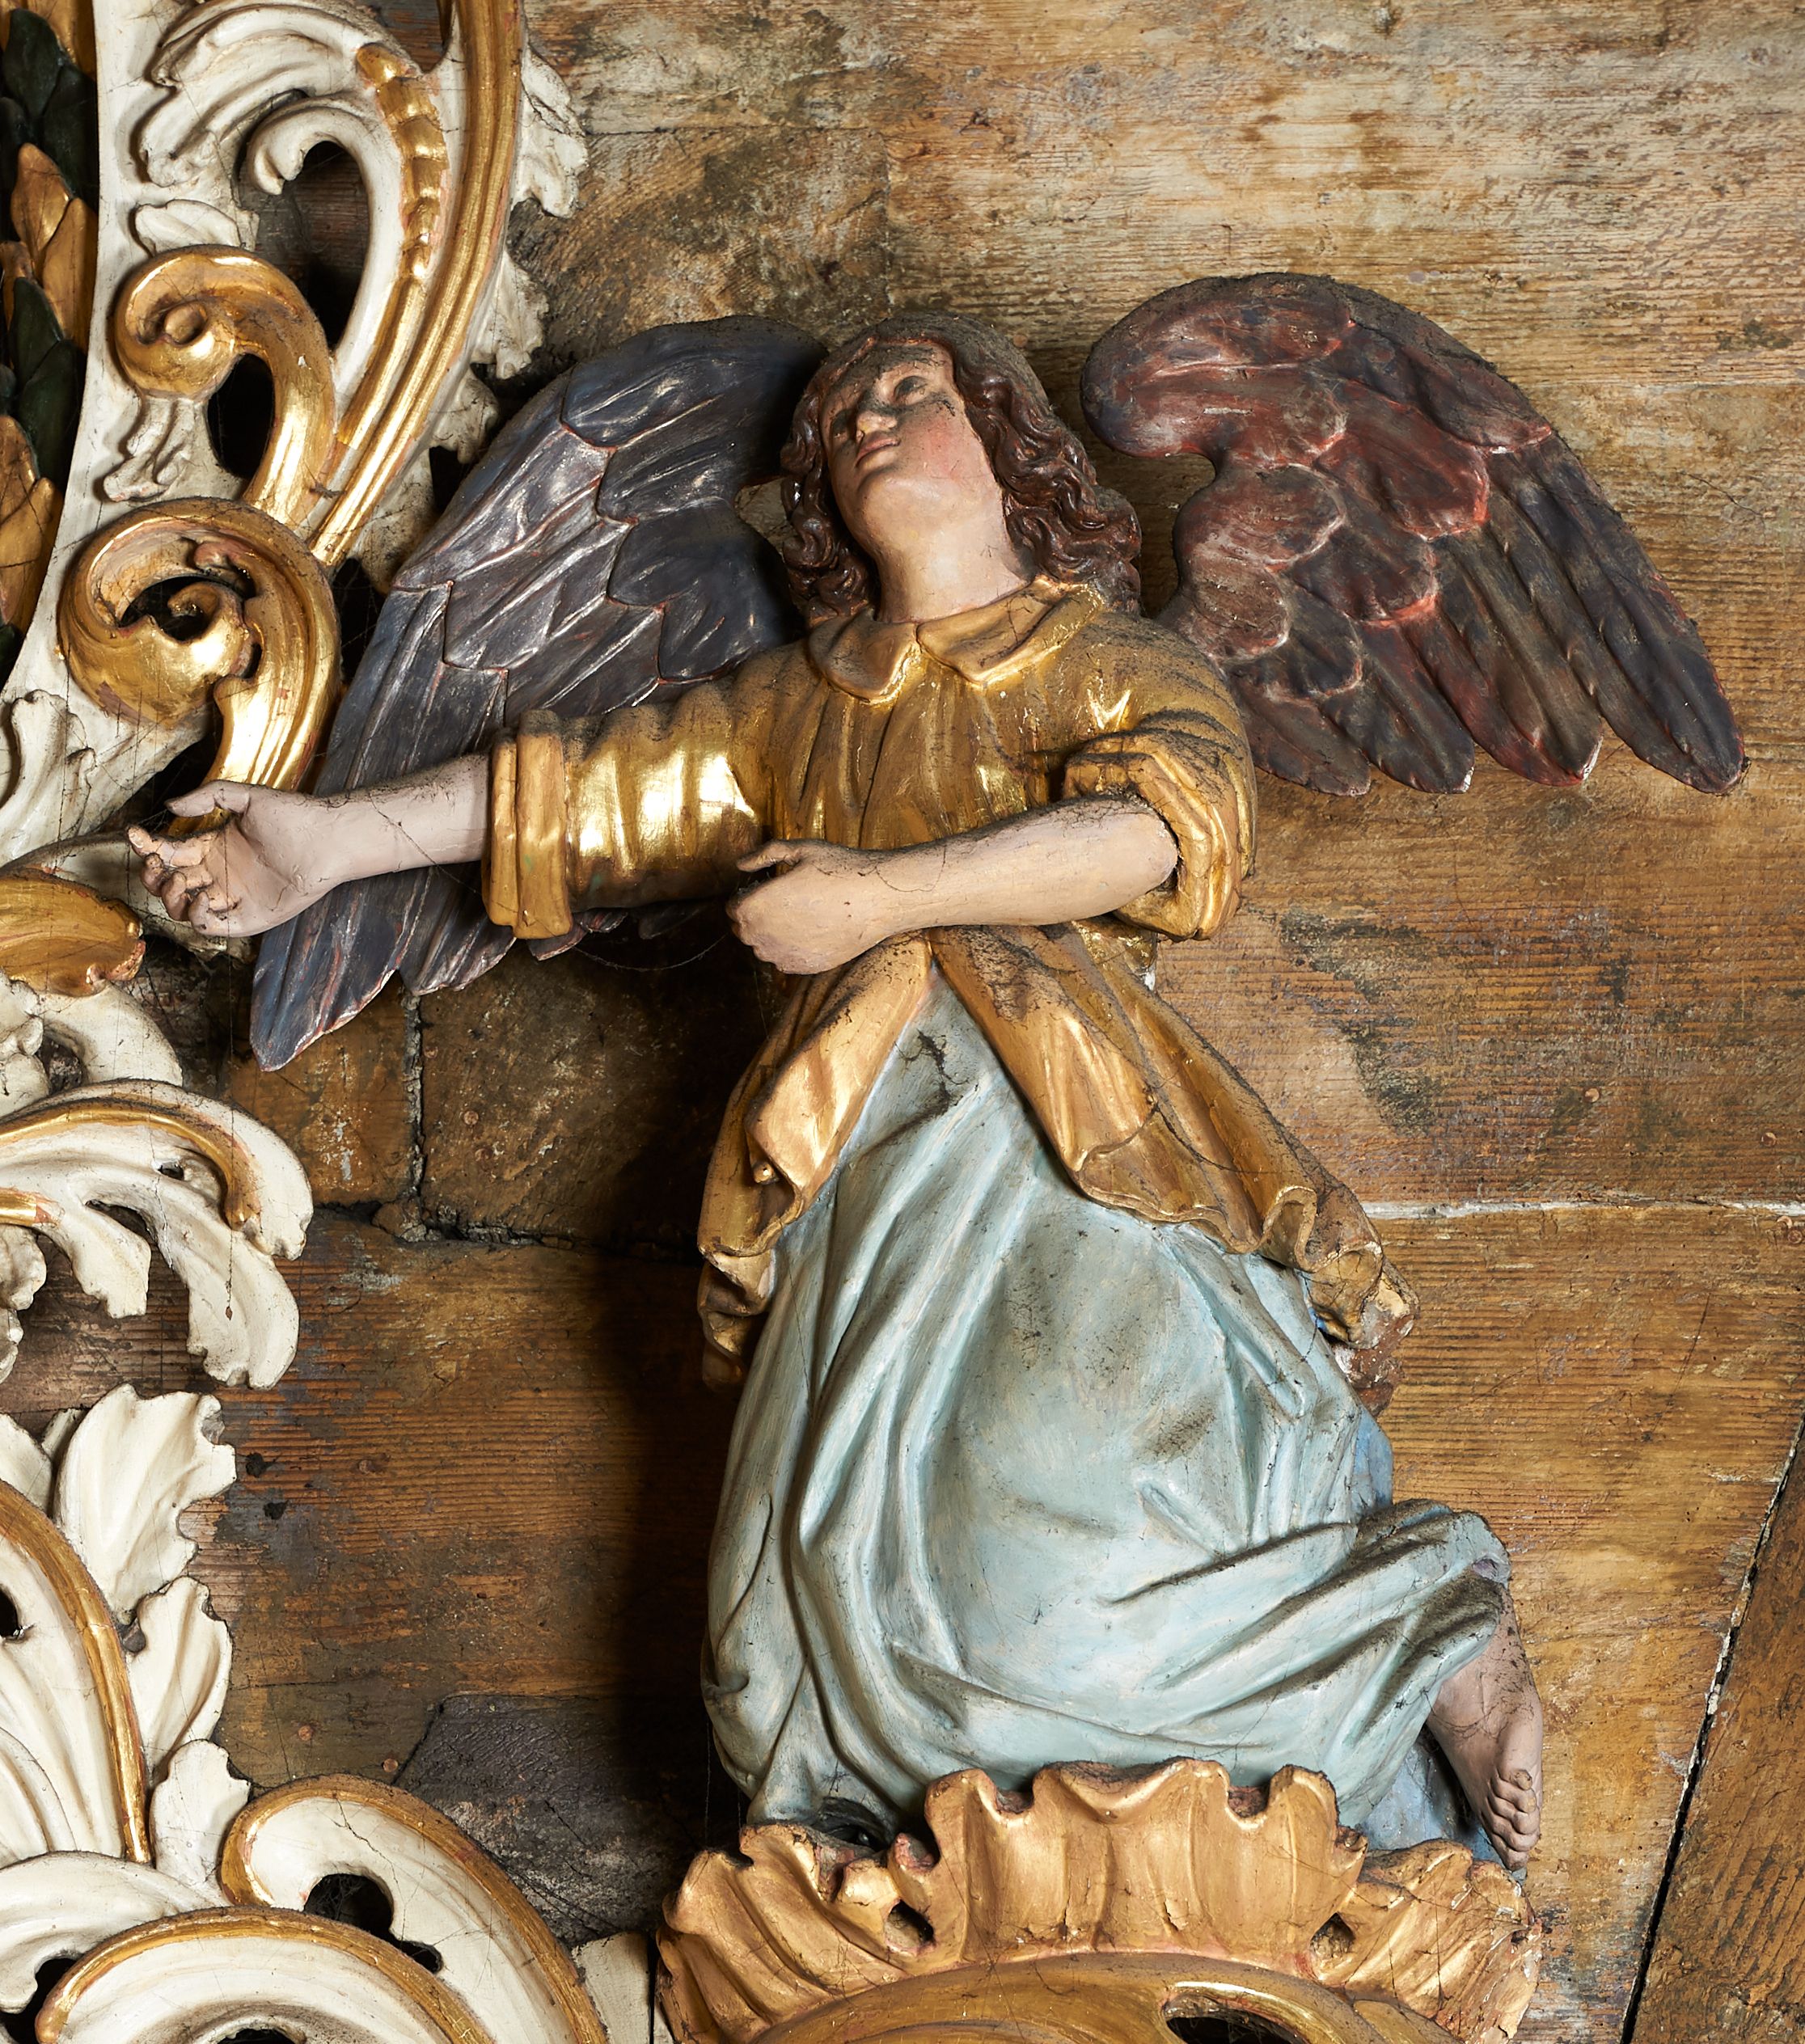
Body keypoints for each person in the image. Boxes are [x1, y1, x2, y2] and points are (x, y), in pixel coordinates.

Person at [133, 312, 1543, 1868]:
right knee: (791, 1638)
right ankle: (934, 1864)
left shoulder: (1104, 660)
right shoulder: (797, 707)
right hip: (858, 1172)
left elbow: (1165, 832)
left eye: (912, 392)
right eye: (840, 414)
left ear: (1006, 448)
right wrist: (333, 843)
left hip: (1070, 1148)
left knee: (1049, 1547)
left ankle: (1423, 1624)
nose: (869, 418)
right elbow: (585, 795)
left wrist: (877, 899)